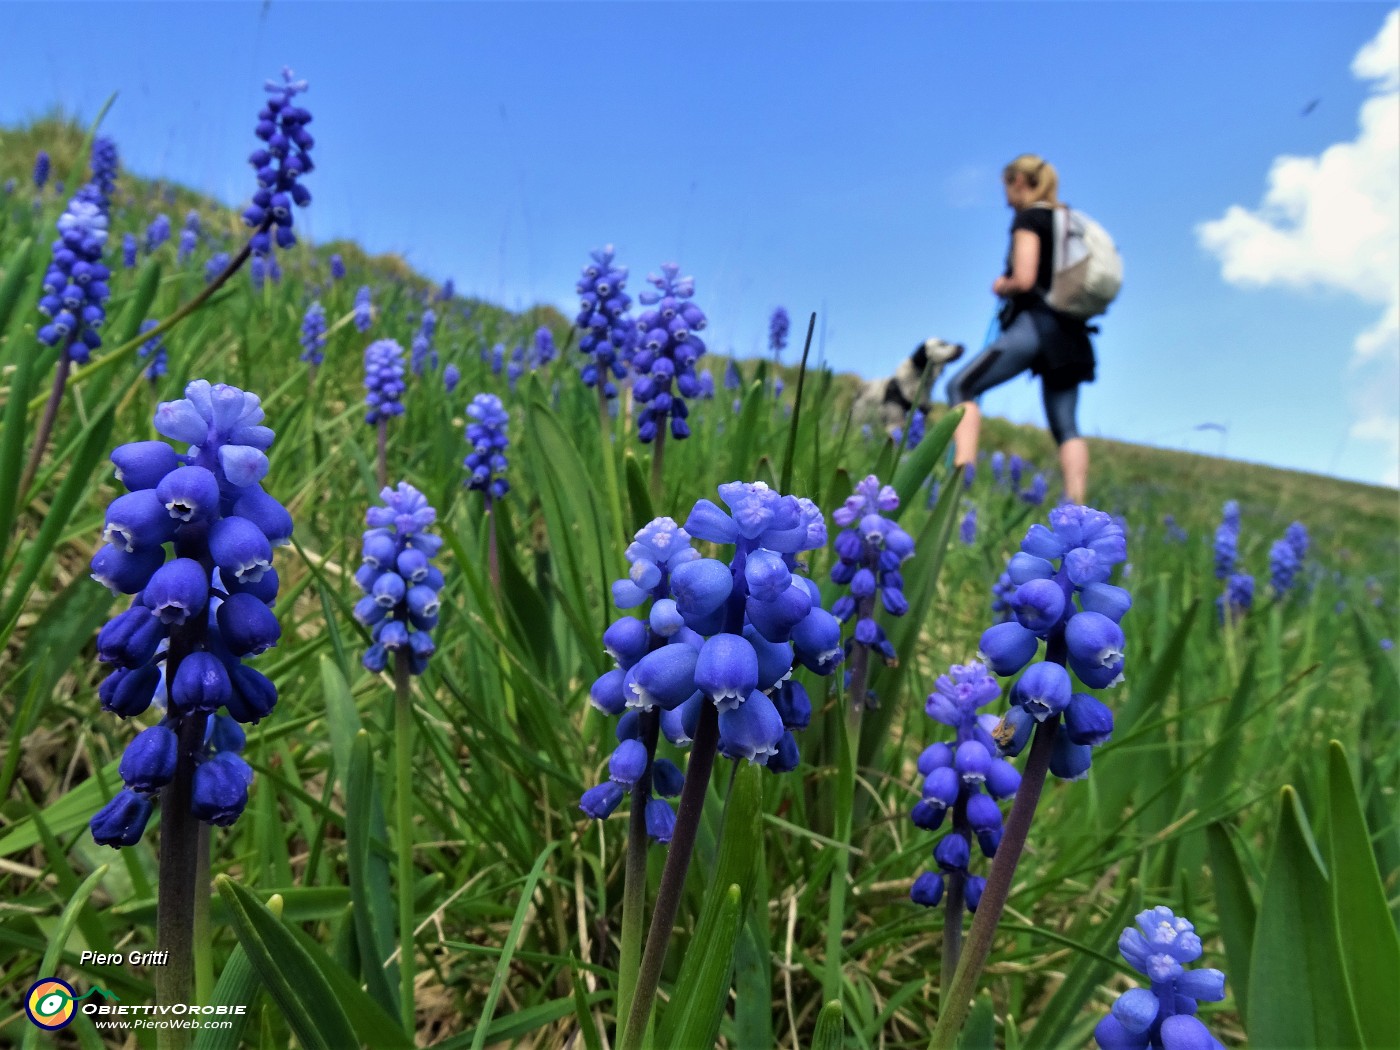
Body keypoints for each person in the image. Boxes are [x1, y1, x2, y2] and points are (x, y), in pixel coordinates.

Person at [944, 154, 1096, 505]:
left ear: (1020, 182)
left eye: (1006, 186)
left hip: (1034, 326)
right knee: (1067, 426)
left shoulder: (1029, 218)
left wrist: (1003, 284)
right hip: (1071, 334)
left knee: (960, 385)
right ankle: (1078, 508)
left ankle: (959, 482)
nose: (1005, 196)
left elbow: (1025, 278)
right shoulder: (1065, 221)